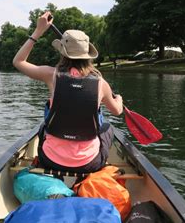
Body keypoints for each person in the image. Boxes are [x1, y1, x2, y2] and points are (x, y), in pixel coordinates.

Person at [13, 11, 123, 173]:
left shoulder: (51, 75)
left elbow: (18, 61)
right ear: (87, 55)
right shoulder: (101, 83)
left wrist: (38, 31)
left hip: (50, 160)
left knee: (44, 125)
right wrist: (118, 98)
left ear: (62, 52)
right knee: (107, 127)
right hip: (90, 163)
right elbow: (117, 111)